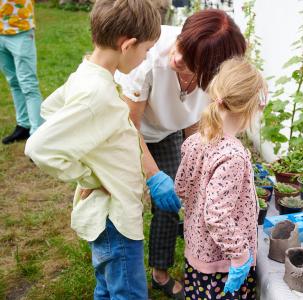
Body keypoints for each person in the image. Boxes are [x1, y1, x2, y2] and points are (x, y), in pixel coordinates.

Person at [25, 0, 180, 299]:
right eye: (146, 50)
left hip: (113, 216)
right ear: (128, 44)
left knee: (108, 289)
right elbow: (39, 147)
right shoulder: (96, 92)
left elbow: (53, 108)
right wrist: (91, 177)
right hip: (116, 219)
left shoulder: (92, 74)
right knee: (129, 293)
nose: (146, 58)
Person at [115, 9, 246, 299]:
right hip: (132, 132)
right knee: (138, 202)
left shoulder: (216, 76)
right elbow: (129, 128)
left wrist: (199, 161)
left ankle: (160, 270)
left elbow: (194, 121)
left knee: (175, 198)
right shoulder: (146, 58)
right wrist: (153, 176)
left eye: (189, 62)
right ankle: (135, 269)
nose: (177, 58)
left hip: (170, 130)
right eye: (181, 47)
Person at [175, 57, 267, 299]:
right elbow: (216, 215)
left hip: (197, 254)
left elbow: (181, 188)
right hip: (223, 265)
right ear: (251, 108)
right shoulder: (233, 155)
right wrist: (240, 256)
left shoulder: (196, 140)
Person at [0, 0, 44, 144]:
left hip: (21, 30)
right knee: (13, 81)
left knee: (28, 84)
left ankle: (37, 135)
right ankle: (23, 125)